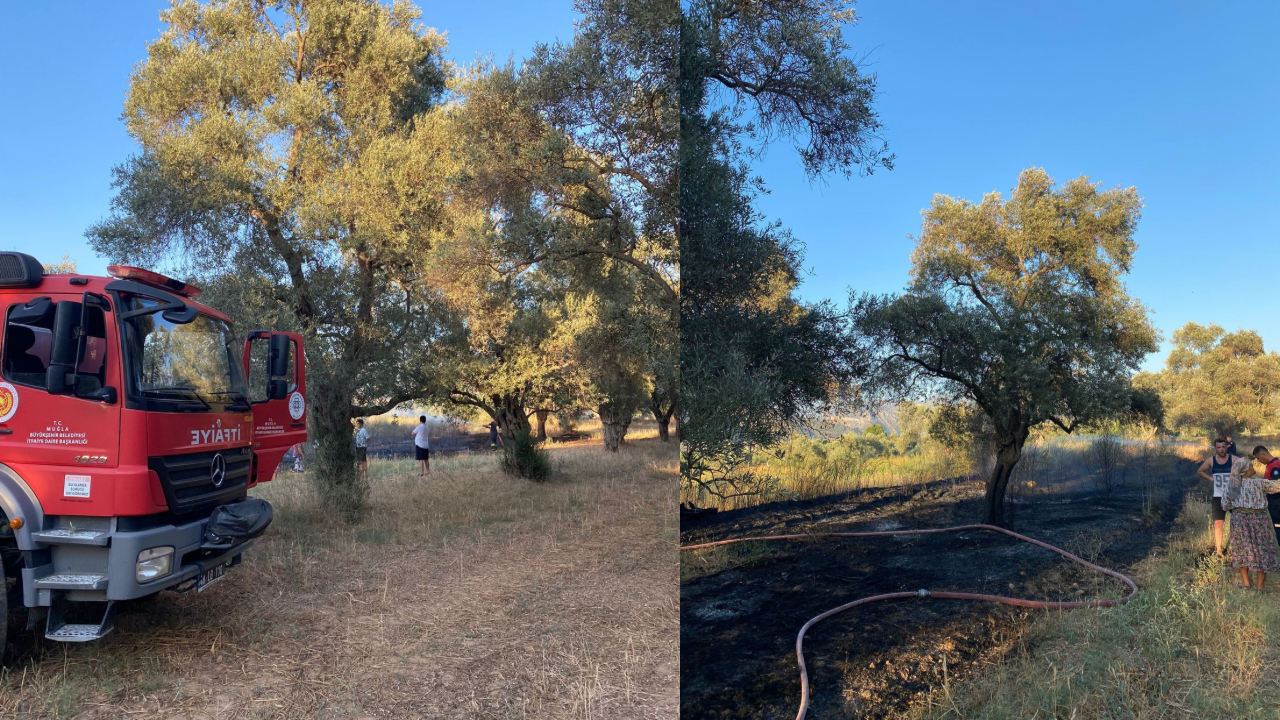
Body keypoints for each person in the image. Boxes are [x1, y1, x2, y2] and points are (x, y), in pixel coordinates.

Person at [1221, 453, 1280, 589]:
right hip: (1259, 520)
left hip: (1238, 522)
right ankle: (1260, 587)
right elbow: (1278, 486)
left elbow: (1225, 505)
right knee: (1262, 551)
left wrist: (1239, 510)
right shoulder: (1259, 483)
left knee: (1241, 551)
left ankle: (1246, 583)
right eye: (1251, 466)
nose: (1254, 467)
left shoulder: (1230, 486)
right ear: (1246, 471)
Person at [1198, 437, 1237, 555]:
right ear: (1215, 448)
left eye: (1223, 447)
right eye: (1219, 447)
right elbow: (1200, 471)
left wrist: (1239, 480)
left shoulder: (1234, 459)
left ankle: (1236, 549)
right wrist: (1210, 478)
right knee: (1218, 524)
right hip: (1218, 496)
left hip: (1233, 497)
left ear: (1227, 447)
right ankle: (1219, 550)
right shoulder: (1211, 460)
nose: (1221, 449)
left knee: (1237, 523)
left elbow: (1249, 470)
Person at [1253, 445, 1280, 543]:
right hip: (1273, 502)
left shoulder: (1275, 465)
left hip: (1277, 502)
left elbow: (1277, 485)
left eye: (1258, 458)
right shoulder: (1270, 465)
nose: (1258, 461)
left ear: (1264, 454)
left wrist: (1263, 484)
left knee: (1278, 526)